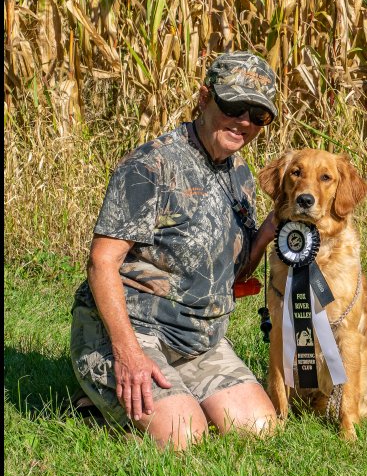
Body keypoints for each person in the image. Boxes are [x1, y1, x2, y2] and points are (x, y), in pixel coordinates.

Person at [70, 51, 282, 450]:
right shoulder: (152, 165)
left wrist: (269, 230)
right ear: (204, 98)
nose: (244, 122)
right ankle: (97, 387)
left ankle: (167, 391)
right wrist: (129, 353)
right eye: (233, 105)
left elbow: (232, 275)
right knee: (185, 436)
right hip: (133, 331)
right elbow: (101, 263)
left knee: (260, 428)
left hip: (199, 341)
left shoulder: (239, 175)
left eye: (259, 116)